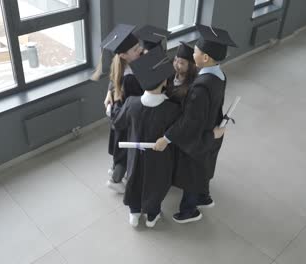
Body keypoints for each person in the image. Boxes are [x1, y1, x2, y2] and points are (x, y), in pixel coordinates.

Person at [153, 24, 237, 224]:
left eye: (197, 51)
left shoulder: (199, 87)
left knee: (191, 174)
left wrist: (166, 138)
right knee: (204, 168)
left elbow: (188, 122)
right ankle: (204, 198)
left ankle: (190, 210)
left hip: (199, 136)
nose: (194, 54)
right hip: (212, 128)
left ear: (205, 58)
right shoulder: (220, 75)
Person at [113, 46, 181, 228]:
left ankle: (134, 213)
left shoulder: (131, 103)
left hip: (135, 156)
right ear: (165, 82)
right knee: (156, 184)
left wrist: (114, 104)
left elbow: (118, 123)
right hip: (160, 158)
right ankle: (152, 215)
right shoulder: (172, 109)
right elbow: (178, 133)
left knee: (135, 180)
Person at [92, 24, 144, 193]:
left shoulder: (118, 64)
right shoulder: (130, 78)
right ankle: (115, 179)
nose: (140, 50)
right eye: (136, 49)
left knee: (119, 149)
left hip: (118, 113)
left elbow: (112, 83)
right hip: (125, 119)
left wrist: (109, 93)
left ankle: (115, 169)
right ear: (123, 55)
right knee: (124, 151)